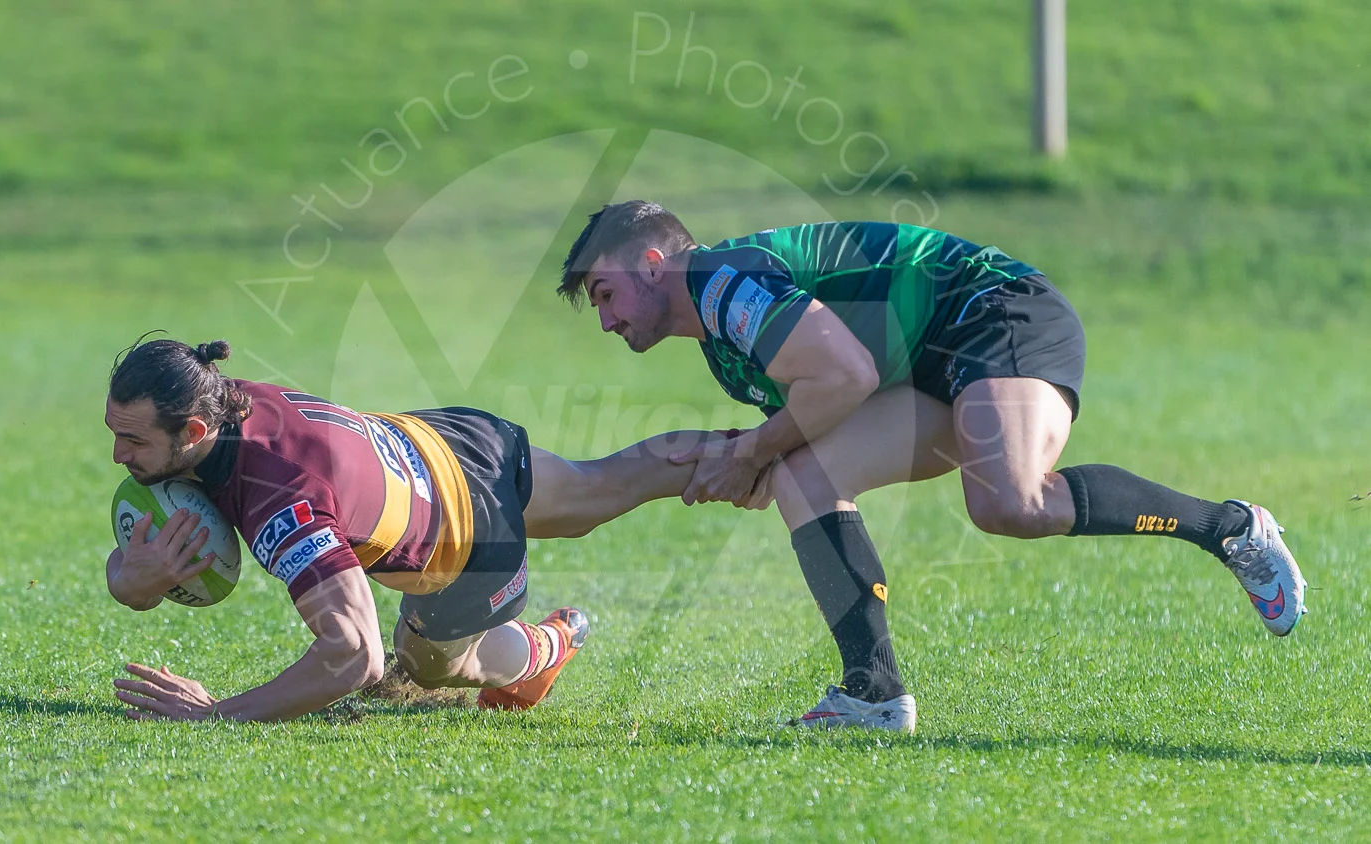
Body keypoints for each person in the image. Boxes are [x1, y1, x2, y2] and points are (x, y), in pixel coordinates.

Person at [557, 201, 1306, 733]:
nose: (606, 319)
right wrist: (751, 460)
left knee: (1010, 503)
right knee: (804, 480)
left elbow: (843, 376)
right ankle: (873, 695)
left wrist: (753, 451)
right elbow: (817, 410)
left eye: (605, 293)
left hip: (995, 312)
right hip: (926, 367)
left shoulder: (721, 283)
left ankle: (1229, 528)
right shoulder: (724, 343)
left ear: (654, 264)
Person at [104, 336, 704, 722]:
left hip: (466, 540)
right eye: (114, 430)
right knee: (604, 486)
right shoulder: (221, 400)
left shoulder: (280, 501)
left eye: (133, 439)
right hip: (446, 441)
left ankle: (547, 647)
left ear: (194, 433)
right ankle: (751, 447)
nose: (116, 455)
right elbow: (125, 566)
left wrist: (215, 714)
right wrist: (135, 580)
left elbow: (354, 657)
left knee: (428, 668)